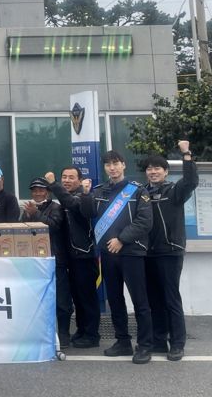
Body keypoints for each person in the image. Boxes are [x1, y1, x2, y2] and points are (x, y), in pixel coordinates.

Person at [74, 150, 153, 364]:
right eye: (108, 164)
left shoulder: (137, 191)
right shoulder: (100, 190)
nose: (112, 168)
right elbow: (88, 214)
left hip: (132, 252)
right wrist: (86, 194)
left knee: (140, 301)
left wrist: (122, 239)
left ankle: (145, 345)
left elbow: (144, 222)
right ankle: (123, 341)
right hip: (108, 255)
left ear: (124, 165)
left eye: (116, 163)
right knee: (115, 300)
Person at [144, 141, 198, 362]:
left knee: (170, 298)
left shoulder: (174, 191)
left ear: (165, 172)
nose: (153, 171)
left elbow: (191, 181)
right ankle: (158, 339)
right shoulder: (141, 194)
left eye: (157, 168)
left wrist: (186, 154)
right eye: (149, 168)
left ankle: (177, 343)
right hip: (147, 253)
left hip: (170, 252)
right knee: (153, 299)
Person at [45, 167, 101, 349]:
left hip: (84, 255)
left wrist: (53, 184)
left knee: (87, 297)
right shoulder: (63, 200)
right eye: (64, 177)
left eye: (71, 177)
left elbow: (74, 206)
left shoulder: (82, 196)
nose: (67, 180)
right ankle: (82, 330)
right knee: (77, 297)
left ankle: (92, 335)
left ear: (80, 180)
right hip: (69, 256)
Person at [22, 176, 72, 347]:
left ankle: (64, 334)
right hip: (35, 260)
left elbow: (54, 226)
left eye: (41, 189)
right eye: (34, 190)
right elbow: (23, 232)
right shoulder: (28, 208)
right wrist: (28, 216)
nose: (37, 193)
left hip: (55, 259)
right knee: (38, 299)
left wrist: (35, 214)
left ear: (48, 191)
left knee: (61, 299)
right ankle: (41, 333)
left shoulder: (56, 207)